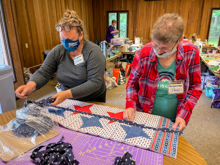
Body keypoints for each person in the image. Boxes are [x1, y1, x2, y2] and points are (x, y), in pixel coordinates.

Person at [123, 13, 202, 131]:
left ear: (180, 40)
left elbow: (195, 87)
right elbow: (131, 84)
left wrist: (185, 114)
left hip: (175, 118)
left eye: (165, 48)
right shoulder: (143, 53)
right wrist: (130, 105)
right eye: (155, 45)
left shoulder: (191, 52)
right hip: (144, 115)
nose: (159, 52)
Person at [15, 10, 106, 105]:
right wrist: (30, 85)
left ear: (81, 35)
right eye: (63, 39)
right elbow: (43, 73)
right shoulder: (58, 51)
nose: (66, 43)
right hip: (68, 100)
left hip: (92, 100)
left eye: (70, 39)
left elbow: (95, 83)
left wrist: (67, 94)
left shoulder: (93, 52)